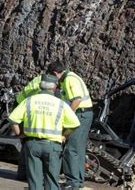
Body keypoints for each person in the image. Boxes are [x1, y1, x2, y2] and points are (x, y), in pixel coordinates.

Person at [8, 75, 80, 190]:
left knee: (34, 181)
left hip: (32, 144)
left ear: (40, 86)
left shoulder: (29, 101)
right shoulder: (60, 104)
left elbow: (13, 120)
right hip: (52, 146)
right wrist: (64, 135)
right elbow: (74, 124)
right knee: (51, 180)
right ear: (54, 88)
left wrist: (20, 134)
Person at [49, 61, 93, 189]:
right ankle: (77, 181)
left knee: (71, 149)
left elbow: (77, 99)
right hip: (84, 114)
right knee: (78, 149)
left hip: (80, 115)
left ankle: (73, 182)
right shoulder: (71, 77)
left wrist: (69, 115)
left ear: (55, 73)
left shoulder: (69, 80)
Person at [15, 65, 60, 180]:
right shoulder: (46, 84)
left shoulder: (40, 80)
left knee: (28, 143)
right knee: (29, 142)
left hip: (24, 107)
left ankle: (24, 174)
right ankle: (28, 174)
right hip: (28, 109)